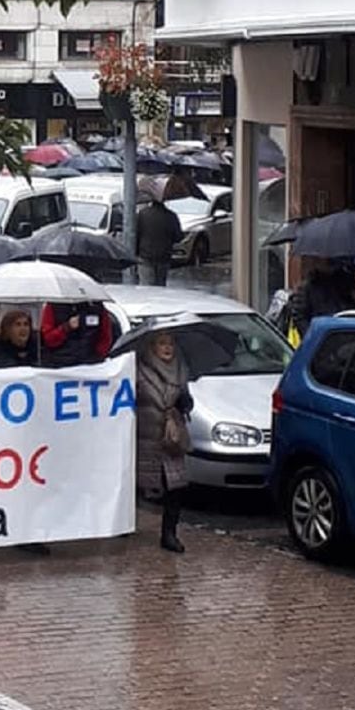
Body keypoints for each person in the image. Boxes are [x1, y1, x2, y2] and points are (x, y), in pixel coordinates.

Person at [135, 331, 193, 553]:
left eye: (170, 343)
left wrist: (182, 406)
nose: (167, 348)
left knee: (174, 487)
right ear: (152, 347)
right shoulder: (139, 370)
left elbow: (188, 401)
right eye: (162, 343)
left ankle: (169, 533)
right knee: (142, 485)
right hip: (146, 437)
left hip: (171, 439)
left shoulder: (180, 370)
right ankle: (126, 524)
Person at [290, 260, 355, 339]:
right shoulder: (308, 288)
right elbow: (299, 316)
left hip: (342, 337)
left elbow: (354, 310)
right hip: (323, 338)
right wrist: (311, 336)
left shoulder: (343, 284)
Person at [39, 301, 112, 367]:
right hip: (59, 365)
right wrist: (67, 327)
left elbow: (105, 337)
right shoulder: (53, 305)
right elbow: (48, 339)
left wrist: (97, 357)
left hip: (90, 366)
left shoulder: (97, 306)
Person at [135, 199, 183, 286]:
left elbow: (136, 234)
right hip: (164, 257)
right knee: (160, 286)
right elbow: (178, 237)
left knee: (146, 286)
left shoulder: (142, 214)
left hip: (145, 256)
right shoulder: (171, 216)